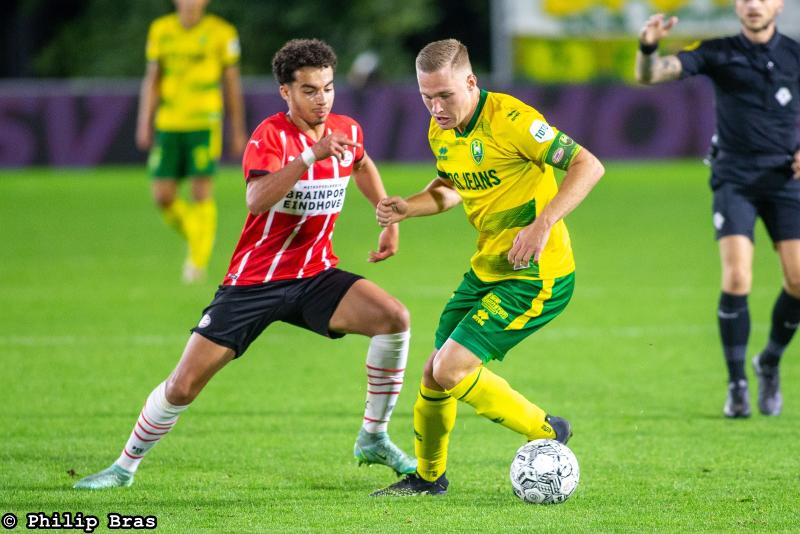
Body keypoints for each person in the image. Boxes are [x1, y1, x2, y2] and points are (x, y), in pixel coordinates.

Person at [74, 38, 416, 490]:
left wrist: (386, 217)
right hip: (254, 283)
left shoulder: (346, 131)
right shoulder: (270, 137)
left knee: (394, 318)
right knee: (183, 386)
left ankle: (373, 436)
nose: (322, 99)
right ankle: (123, 468)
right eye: (310, 90)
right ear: (285, 92)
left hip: (315, 274)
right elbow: (256, 199)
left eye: (328, 88)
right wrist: (309, 156)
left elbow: (362, 163)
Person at [371, 39, 604, 497]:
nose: (436, 107)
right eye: (426, 97)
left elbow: (588, 165)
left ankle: (549, 431)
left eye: (445, 95)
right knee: (434, 374)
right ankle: (429, 478)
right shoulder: (442, 130)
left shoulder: (512, 120)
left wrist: (544, 223)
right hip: (488, 269)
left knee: (452, 368)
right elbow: (450, 188)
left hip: (537, 274)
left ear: (471, 82)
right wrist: (408, 208)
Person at [635, 1, 800, 418]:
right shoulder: (719, 51)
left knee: (798, 282)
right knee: (738, 275)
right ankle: (737, 383)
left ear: (778, 5)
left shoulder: (795, 54)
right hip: (735, 179)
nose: (753, 5)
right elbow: (650, 75)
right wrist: (648, 47)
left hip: (786, 181)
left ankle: (769, 362)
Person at [136, 0, 248, 283]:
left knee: (201, 192)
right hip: (169, 122)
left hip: (204, 123)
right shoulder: (161, 30)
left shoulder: (222, 32)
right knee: (163, 196)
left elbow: (232, 84)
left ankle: (196, 261)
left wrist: (237, 129)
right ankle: (198, 236)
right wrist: (144, 121)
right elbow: (152, 79)